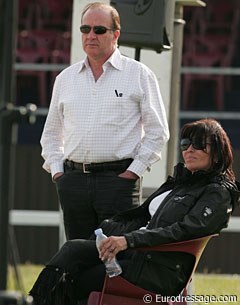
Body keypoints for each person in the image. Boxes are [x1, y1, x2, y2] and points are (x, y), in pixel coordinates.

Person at [30, 118, 240, 305]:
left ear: (218, 150)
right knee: (73, 249)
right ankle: (34, 300)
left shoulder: (218, 192)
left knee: (76, 279)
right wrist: (109, 232)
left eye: (199, 144)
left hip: (157, 269)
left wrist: (127, 241)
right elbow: (141, 216)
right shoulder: (180, 183)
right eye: (185, 144)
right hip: (137, 255)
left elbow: (183, 231)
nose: (189, 150)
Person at [40, 2, 169, 240]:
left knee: (118, 262)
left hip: (118, 181)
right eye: (85, 29)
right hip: (74, 181)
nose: (90, 35)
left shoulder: (139, 74)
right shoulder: (65, 79)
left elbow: (158, 132)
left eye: (99, 30)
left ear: (115, 35)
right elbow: (51, 134)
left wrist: (133, 172)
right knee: (78, 259)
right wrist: (58, 172)